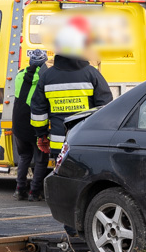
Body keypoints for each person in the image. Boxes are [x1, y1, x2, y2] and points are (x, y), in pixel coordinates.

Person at [30, 25, 113, 159]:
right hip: (86, 143)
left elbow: (38, 112)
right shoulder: (92, 74)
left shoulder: (47, 76)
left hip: (59, 145)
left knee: (62, 178)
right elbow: (105, 108)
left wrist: (41, 135)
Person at [12, 50, 50, 201]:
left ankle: (20, 189)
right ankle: (34, 192)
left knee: (24, 156)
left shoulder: (20, 75)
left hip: (18, 123)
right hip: (35, 123)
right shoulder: (43, 78)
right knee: (41, 159)